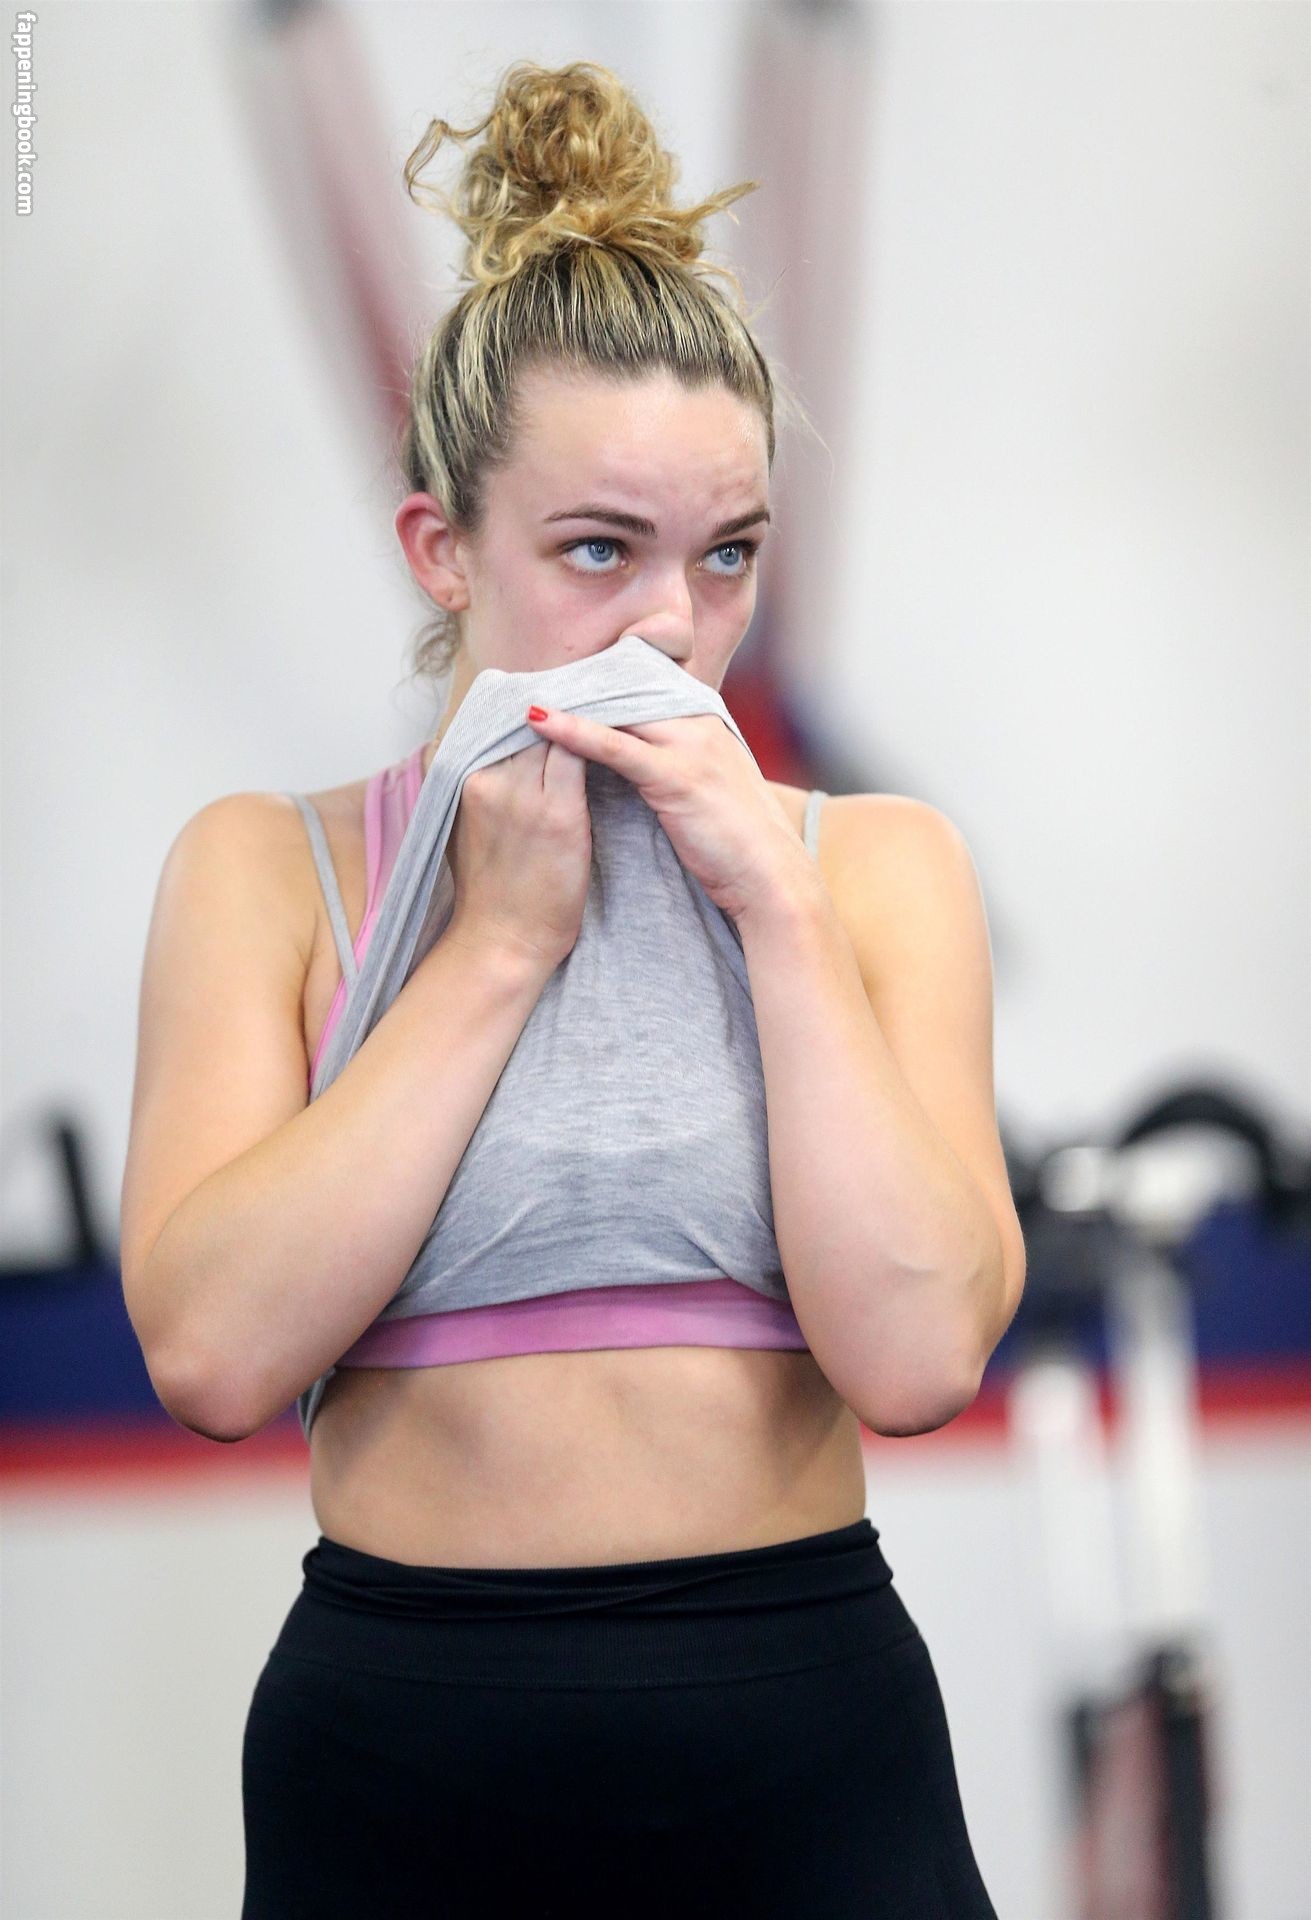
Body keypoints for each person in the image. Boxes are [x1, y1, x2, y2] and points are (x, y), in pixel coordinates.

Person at [120, 57, 1024, 1919]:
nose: (672, 630)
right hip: (402, 1746)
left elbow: (922, 1359)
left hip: (802, 1732)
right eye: (599, 551)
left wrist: (774, 907)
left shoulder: (875, 869)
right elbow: (212, 1356)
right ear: (444, 550)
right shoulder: (270, 871)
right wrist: (497, 948)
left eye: (727, 556)